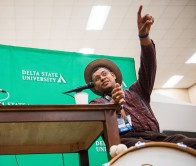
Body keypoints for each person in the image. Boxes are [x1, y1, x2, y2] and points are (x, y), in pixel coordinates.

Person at [83, 5, 196, 150]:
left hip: (158, 137)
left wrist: (144, 36)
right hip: (126, 143)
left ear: (113, 76)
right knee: (142, 148)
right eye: (97, 79)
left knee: (187, 142)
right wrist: (113, 104)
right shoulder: (97, 102)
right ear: (96, 86)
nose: (102, 78)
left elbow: (148, 66)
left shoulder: (138, 91)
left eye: (104, 74)